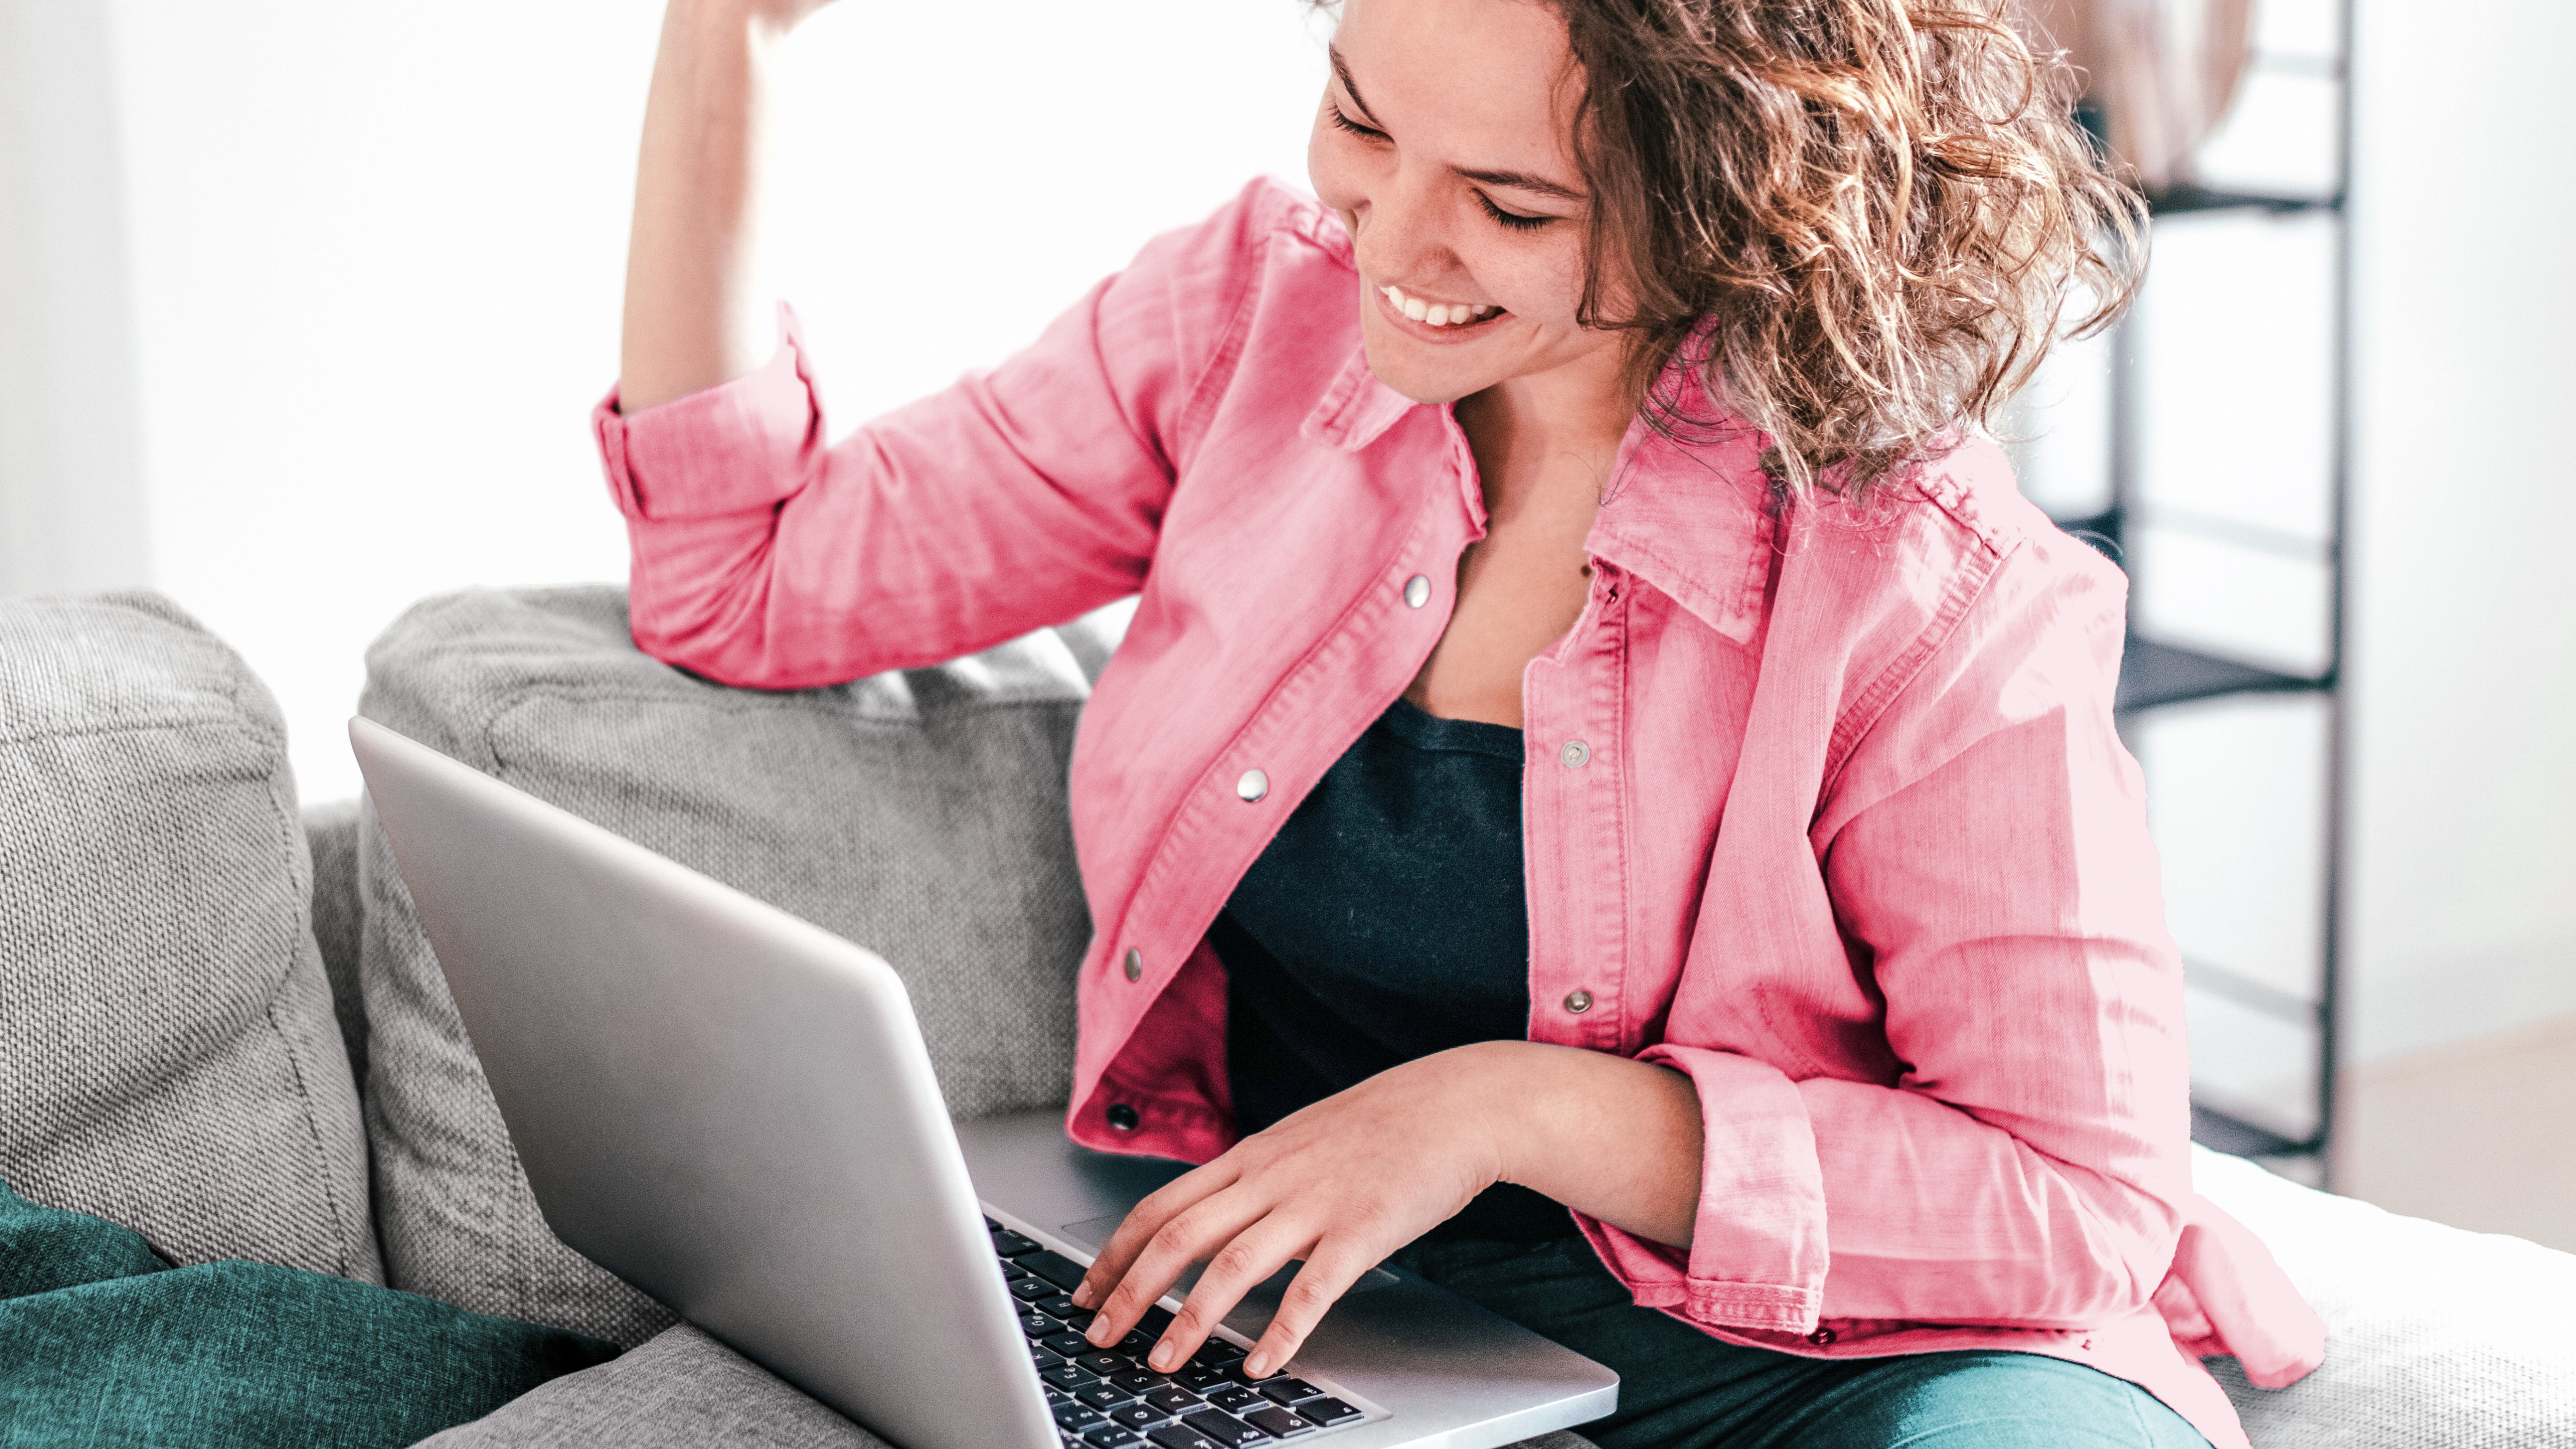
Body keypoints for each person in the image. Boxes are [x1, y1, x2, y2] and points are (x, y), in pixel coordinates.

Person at [597, 1, 2323, 1445]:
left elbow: (2081, 1200)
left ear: (1744, 201)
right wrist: (724, 38)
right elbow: (746, 583)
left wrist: (1510, 1108)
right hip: (1356, 1333)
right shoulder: (1250, 323)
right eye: (1360, 120)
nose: (1389, 240)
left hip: (1857, 1359)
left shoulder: (1932, 587)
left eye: (1509, 201)